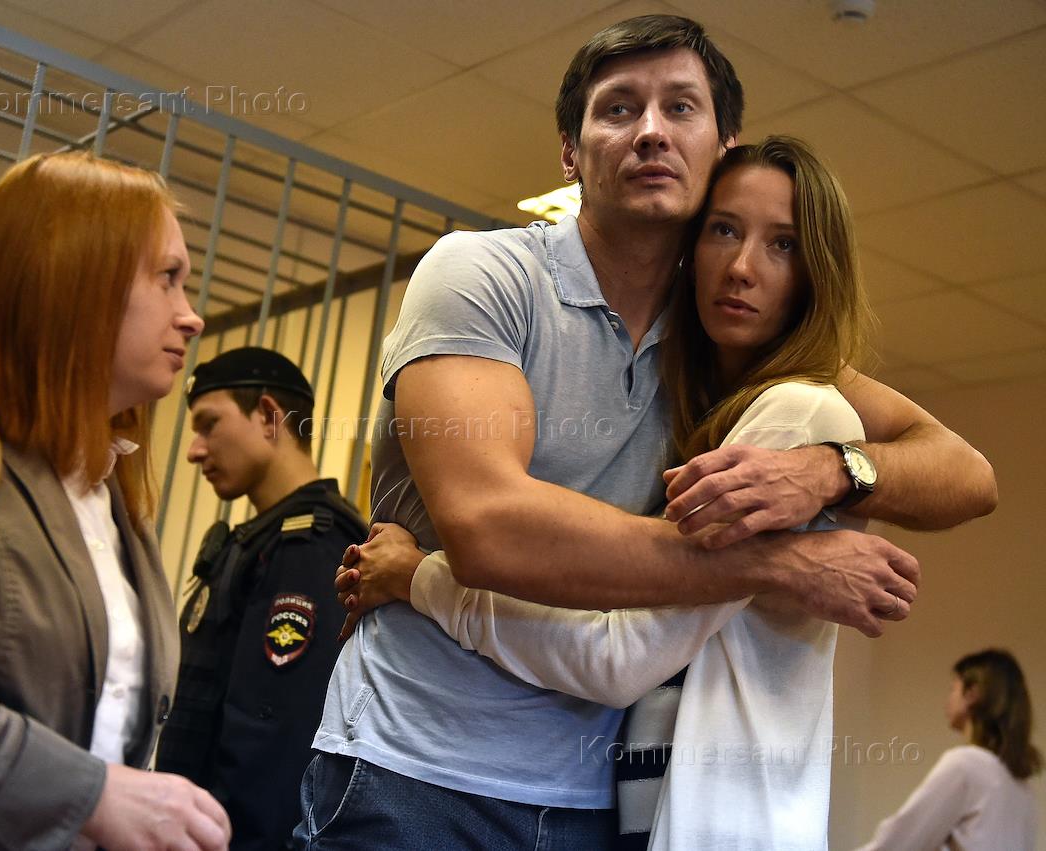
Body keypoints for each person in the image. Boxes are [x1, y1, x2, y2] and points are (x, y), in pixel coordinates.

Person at [297, 15, 996, 851]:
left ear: (722, 148)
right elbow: (489, 528)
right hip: (415, 770)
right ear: (571, 150)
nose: (653, 131)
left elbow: (966, 472)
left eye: (681, 107)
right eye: (620, 108)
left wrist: (829, 470)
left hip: (593, 800)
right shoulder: (484, 274)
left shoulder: (724, 338)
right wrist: (777, 562)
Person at [335, 135, 875, 849]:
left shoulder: (798, 414)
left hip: (717, 825)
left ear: (816, 274)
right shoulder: (711, 399)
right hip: (625, 805)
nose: (742, 267)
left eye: (783, 245)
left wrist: (415, 578)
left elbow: (616, 658)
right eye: (723, 230)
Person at [0, 151, 231, 851]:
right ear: (75, 276)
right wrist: (92, 793)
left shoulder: (111, 493)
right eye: (167, 278)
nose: (192, 316)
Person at [156, 347, 368, 851]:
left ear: (269, 416)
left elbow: (271, 742)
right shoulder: (261, 539)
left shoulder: (310, 543)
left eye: (209, 425)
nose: (194, 450)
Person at [857, 649, 1041, 850]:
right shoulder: (1023, 790)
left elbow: (899, 842)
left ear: (972, 694)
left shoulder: (967, 765)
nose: (948, 699)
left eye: (953, 689)